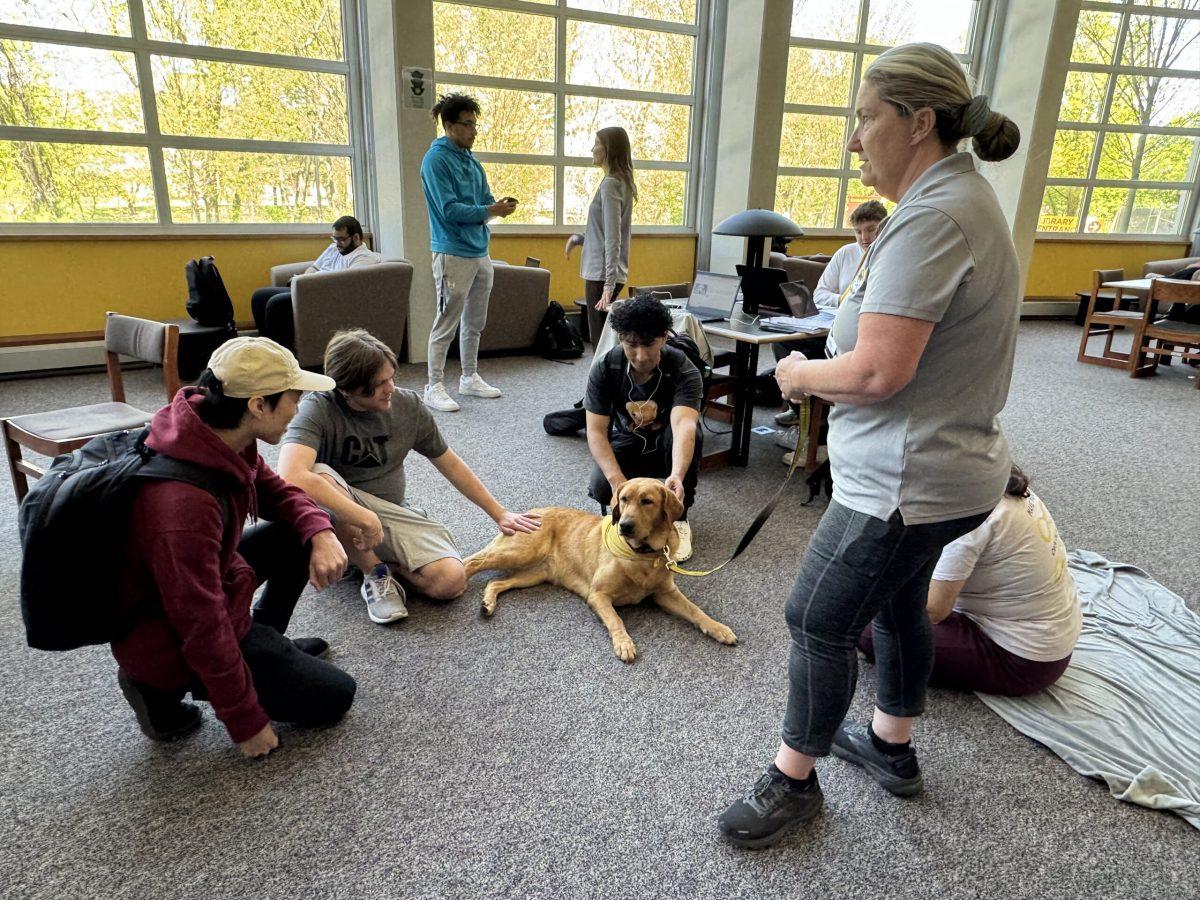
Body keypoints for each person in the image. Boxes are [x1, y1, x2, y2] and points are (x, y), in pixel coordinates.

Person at [718, 42, 1023, 848]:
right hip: (948, 475)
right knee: (895, 602)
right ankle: (892, 749)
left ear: (919, 121)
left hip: (904, 481)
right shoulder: (957, 200)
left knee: (814, 615)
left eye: (864, 117)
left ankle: (793, 781)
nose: (853, 138)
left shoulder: (931, 219)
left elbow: (882, 372)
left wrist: (802, 377)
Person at [112, 337, 356, 758]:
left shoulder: (219, 433)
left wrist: (321, 531)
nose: (299, 410)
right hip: (167, 633)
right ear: (258, 405)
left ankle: (263, 639)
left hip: (208, 583)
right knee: (336, 695)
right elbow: (200, 623)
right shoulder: (182, 508)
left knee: (298, 532)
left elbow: (278, 493)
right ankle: (150, 682)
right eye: (294, 399)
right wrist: (245, 721)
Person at [277, 329, 540, 625]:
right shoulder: (317, 409)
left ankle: (385, 562)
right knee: (317, 476)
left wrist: (499, 513)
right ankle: (373, 571)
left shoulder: (408, 406)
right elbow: (290, 475)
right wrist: (366, 519)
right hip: (343, 510)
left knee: (450, 582)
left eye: (391, 377)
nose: (390, 387)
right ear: (347, 389)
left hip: (394, 511)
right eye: (379, 384)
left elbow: (449, 463)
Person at [859, 465, 1081, 696]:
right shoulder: (991, 479)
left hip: (1023, 661)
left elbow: (933, 609)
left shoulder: (964, 517)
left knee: (862, 625)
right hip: (1049, 637)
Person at [585, 295, 702, 562]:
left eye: (649, 344)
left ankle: (680, 520)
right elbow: (595, 431)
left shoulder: (684, 369)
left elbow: (684, 424)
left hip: (666, 443)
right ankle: (621, 516)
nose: (640, 355)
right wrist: (617, 483)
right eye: (631, 344)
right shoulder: (605, 368)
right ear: (621, 339)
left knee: (689, 435)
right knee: (602, 487)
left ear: (663, 337)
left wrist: (677, 476)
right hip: (628, 440)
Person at [421, 92, 517, 413]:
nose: (474, 131)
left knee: (475, 320)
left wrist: (498, 208)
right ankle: (433, 385)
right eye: (467, 124)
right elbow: (449, 209)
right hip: (452, 252)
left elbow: (484, 202)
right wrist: (489, 208)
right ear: (449, 125)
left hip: (480, 250)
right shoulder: (436, 160)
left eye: (475, 124)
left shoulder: (471, 161)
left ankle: (469, 376)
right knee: (446, 320)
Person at [773, 200, 891, 449]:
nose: (864, 237)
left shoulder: (888, 257)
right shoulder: (846, 254)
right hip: (831, 327)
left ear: (884, 226)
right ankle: (799, 410)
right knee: (784, 343)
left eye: (871, 229)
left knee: (816, 357)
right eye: (859, 232)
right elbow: (820, 294)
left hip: (857, 342)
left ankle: (816, 426)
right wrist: (844, 300)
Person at [250, 215, 381, 351]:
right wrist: (303, 281)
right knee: (259, 296)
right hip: (309, 288)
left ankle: (281, 354)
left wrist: (309, 284)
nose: (337, 243)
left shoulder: (363, 258)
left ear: (356, 238)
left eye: (341, 239)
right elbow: (314, 267)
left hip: (327, 298)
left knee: (276, 304)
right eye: (334, 238)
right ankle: (265, 347)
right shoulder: (334, 248)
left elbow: (346, 286)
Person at [565, 126, 636, 344]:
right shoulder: (619, 182)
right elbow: (606, 232)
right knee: (606, 339)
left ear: (608, 150)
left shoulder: (611, 184)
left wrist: (608, 285)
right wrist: (580, 239)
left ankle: (603, 377)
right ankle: (612, 376)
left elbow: (614, 238)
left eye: (596, 144)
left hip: (602, 274)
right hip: (606, 272)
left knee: (599, 340)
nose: (592, 149)